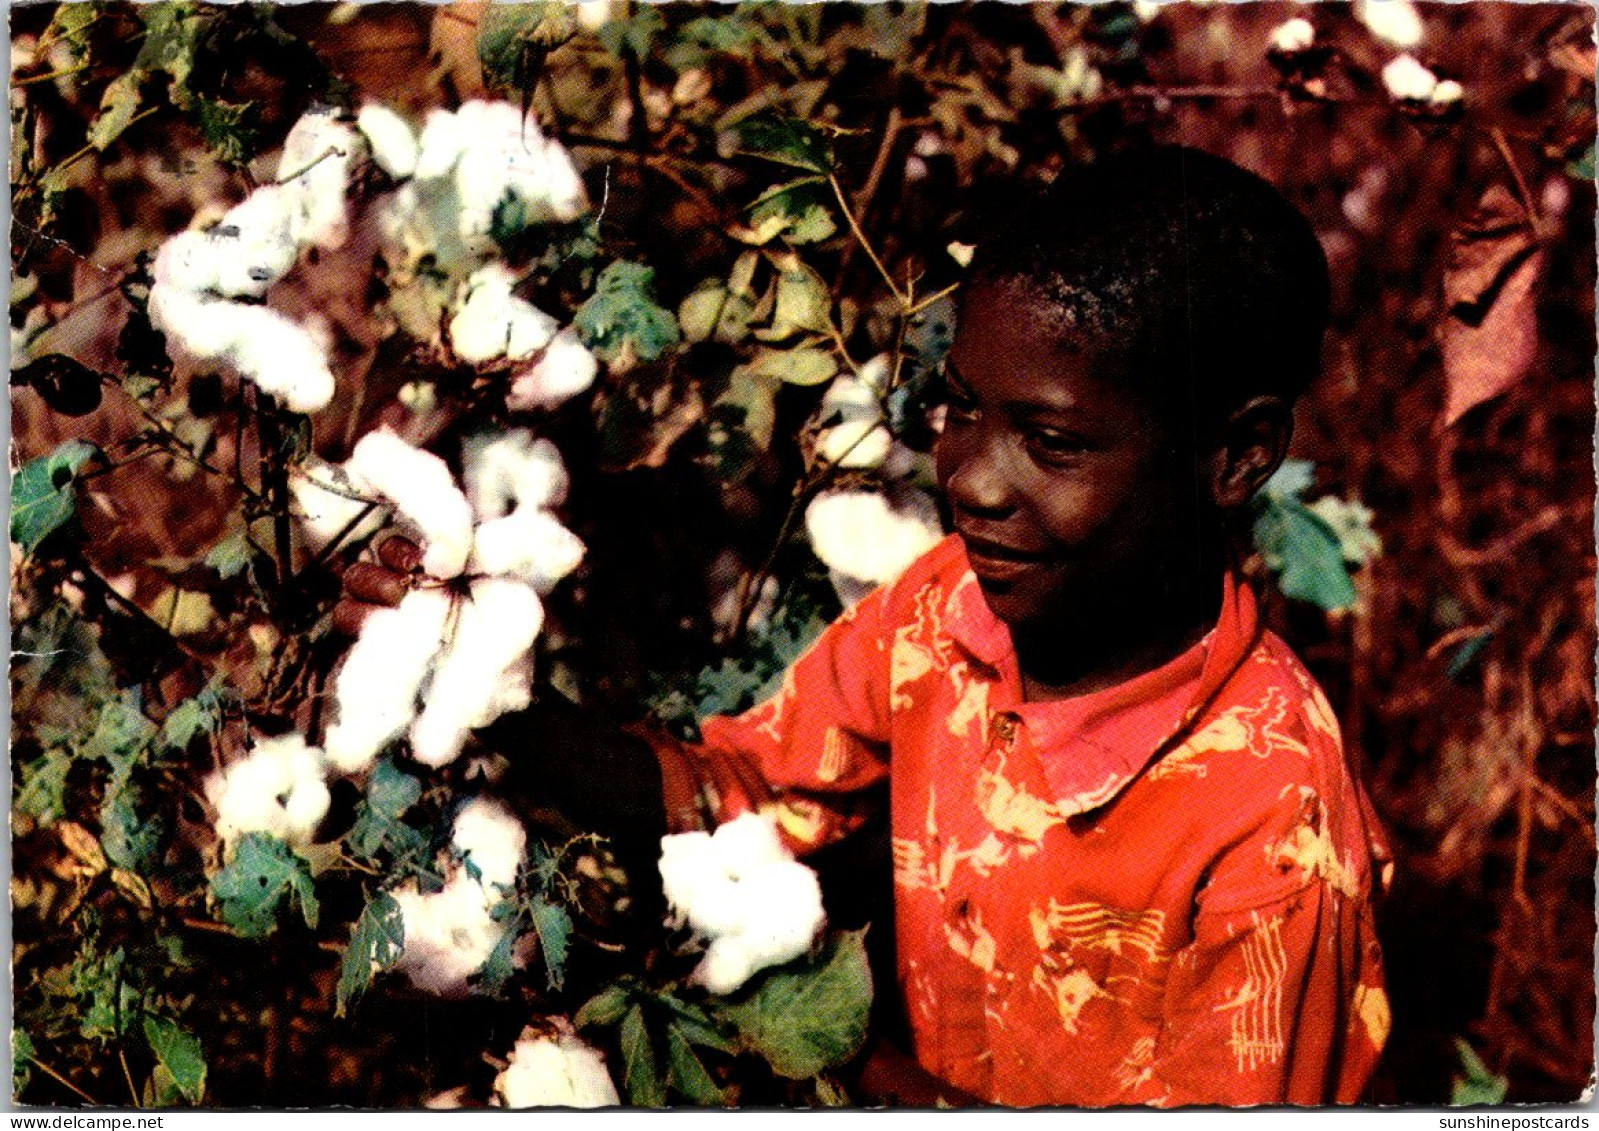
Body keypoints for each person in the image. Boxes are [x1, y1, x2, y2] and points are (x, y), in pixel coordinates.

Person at [340, 145, 1391, 1107]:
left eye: (1054, 442)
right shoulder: (948, 614)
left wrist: (861, 1079)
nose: (973, 479)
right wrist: (479, 682)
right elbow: (739, 797)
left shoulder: (1274, 830)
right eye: (961, 408)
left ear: (1236, 456)